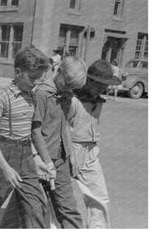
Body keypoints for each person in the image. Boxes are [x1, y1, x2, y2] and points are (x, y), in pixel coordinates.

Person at [0, 46, 50, 228]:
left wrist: (35, 157)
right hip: (3, 154)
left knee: (36, 206)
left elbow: (28, 131)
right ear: (18, 72)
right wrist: (5, 168)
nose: (35, 83)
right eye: (32, 78)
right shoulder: (2, 97)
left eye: (38, 78)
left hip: (26, 155)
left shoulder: (33, 97)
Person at [31, 56, 86, 228]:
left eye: (73, 87)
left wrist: (71, 156)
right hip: (41, 159)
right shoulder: (42, 93)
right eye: (68, 84)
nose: (70, 89)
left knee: (68, 207)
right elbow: (35, 131)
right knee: (34, 209)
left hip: (60, 159)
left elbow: (65, 126)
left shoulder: (67, 96)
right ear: (59, 72)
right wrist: (47, 162)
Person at [69, 60, 121, 228]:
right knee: (56, 196)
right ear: (89, 81)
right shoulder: (71, 99)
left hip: (90, 151)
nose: (103, 90)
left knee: (100, 198)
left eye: (106, 86)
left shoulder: (98, 100)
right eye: (100, 85)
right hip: (70, 149)